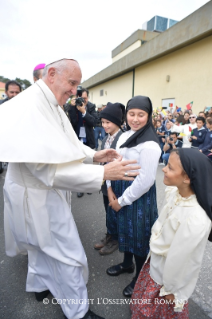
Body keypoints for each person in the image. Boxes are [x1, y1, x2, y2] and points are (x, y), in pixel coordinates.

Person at [0, 58, 141, 319]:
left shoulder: (47, 100)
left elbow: (66, 144)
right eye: (72, 83)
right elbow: (46, 169)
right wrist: (102, 172)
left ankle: (40, 286)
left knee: (40, 247)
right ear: (52, 73)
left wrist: (94, 156)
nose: (75, 91)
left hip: (38, 191)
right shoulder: (32, 105)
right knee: (68, 253)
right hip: (38, 194)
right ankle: (78, 312)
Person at [131, 148, 212, 319]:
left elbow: (183, 261)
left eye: (170, 167)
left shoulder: (195, 218)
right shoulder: (176, 192)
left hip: (167, 278)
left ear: (188, 178)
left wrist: (171, 289)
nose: (164, 169)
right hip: (156, 264)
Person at [106, 96, 161, 298]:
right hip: (120, 187)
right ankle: (127, 264)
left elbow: (145, 181)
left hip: (138, 196)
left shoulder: (150, 145)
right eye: (131, 114)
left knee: (138, 237)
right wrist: (110, 187)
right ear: (126, 114)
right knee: (124, 230)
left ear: (149, 116)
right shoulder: (124, 135)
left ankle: (138, 276)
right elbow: (114, 161)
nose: (135, 119)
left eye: (141, 115)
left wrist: (121, 201)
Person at [94, 102, 125, 255]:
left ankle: (116, 238)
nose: (104, 125)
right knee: (108, 210)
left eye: (108, 122)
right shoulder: (108, 137)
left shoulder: (122, 138)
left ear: (118, 122)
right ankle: (110, 234)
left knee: (114, 211)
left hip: (115, 182)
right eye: (103, 122)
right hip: (106, 180)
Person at [68, 87, 97, 198]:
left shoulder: (91, 106)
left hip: (88, 139)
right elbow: (73, 122)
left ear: (88, 98)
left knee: (89, 164)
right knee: (78, 165)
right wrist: (72, 107)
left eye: (84, 98)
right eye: (80, 98)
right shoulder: (73, 107)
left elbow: (94, 121)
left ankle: (89, 186)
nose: (82, 101)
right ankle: (80, 188)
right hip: (77, 138)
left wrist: (84, 112)